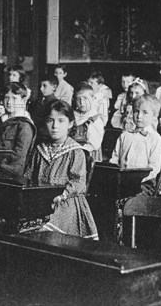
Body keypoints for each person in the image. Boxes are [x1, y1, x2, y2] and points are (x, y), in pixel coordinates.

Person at [25, 100, 98, 239]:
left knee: (44, 229)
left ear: (70, 124)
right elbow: (28, 175)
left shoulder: (75, 152)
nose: (54, 126)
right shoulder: (39, 149)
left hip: (66, 202)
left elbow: (78, 182)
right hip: (40, 200)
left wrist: (61, 195)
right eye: (50, 120)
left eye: (61, 121)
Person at [110, 94, 161, 195]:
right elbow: (114, 159)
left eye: (145, 113)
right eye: (136, 111)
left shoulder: (154, 138)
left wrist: (136, 180)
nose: (139, 116)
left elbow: (154, 168)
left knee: (130, 194)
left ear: (154, 116)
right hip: (122, 180)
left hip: (144, 182)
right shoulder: (125, 135)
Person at [0, 82, 36, 177]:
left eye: (14, 98)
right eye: (6, 98)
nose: (9, 102)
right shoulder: (1, 121)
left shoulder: (24, 125)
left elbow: (19, 158)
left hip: (11, 174)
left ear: (23, 101)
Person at [71, 82, 105, 162]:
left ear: (92, 99)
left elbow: (94, 145)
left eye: (85, 98)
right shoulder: (73, 115)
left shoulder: (95, 119)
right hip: (72, 151)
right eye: (78, 99)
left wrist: (76, 149)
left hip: (87, 154)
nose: (82, 102)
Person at [31, 76, 59, 142]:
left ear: (54, 87)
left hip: (46, 137)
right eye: (40, 86)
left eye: (44, 86)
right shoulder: (36, 102)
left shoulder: (56, 104)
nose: (41, 89)